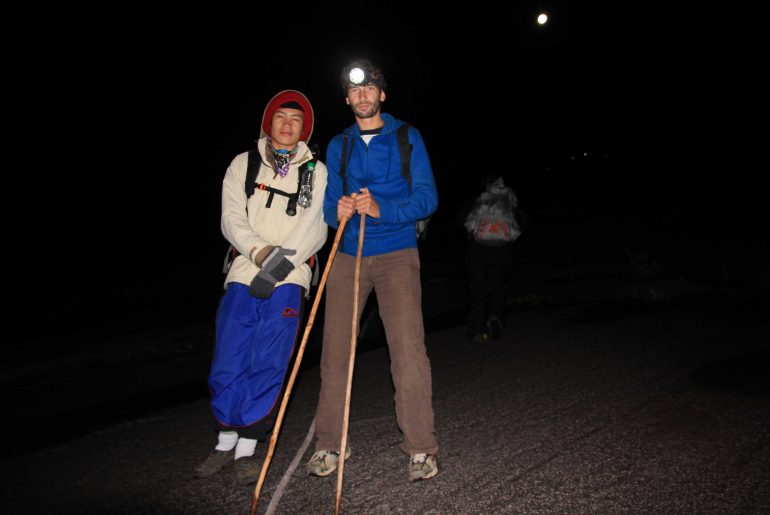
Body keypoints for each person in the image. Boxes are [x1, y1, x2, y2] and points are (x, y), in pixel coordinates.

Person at [305, 59, 439, 482]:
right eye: (354, 89)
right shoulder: (337, 145)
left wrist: (385, 209)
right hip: (347, 255)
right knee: (335, 354)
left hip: (397, 252)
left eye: (370, 88)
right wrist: (337, 211)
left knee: (408, 352)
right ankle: (330, 444)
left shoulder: (407, 137)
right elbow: (329, 205)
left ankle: (420, 449)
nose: (362, 95)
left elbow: (427, 198)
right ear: (347, 98)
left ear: (382, 94)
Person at [194, 90, 328, 485]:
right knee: (229, 355)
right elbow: (231, 217)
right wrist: (259, 254)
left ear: (304, 129)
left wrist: (279, 267)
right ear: (268, 122)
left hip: (289, 279)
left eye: (296, 119)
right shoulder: (244, 163)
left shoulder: (315, 171)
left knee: (269, 359)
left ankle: (249, 446)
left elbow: (316, 227)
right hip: (242, 271)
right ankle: (224, 439)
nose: (287, 124)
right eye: (281, 117)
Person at [458, 174, 521, 342]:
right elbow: (522, 220)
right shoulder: (508, 200)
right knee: (497, 287)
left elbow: (461, 220)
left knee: (477, 290)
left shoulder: (476, 201)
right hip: (502, 252)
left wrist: (471, 236)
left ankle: (476, 329)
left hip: (476, 251)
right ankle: (495, 318)